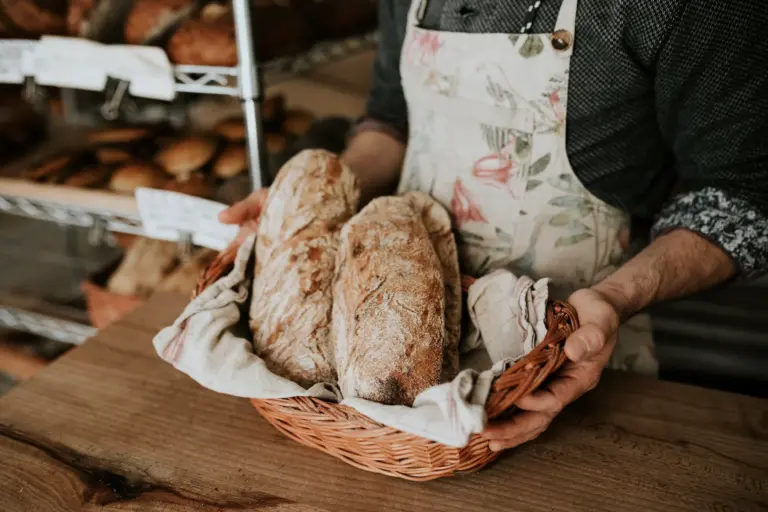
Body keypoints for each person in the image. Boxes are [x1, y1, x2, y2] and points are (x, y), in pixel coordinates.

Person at [220, 0, 768, 452]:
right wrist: (317, 199)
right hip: (384, 347)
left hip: (569, 363)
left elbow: (742, 199)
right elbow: (391, 119)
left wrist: (618, 299)